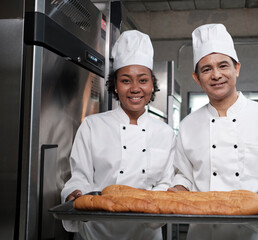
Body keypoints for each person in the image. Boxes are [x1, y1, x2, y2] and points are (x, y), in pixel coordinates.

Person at [169, 24, 258, 239]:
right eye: (206, 69)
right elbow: (184, 175)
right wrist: (179, 188)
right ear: (197, 78)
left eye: (223, 66)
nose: (216, 75)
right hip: (204, 234)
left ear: (237, 69)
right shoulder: (188, 125)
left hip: (257, 234)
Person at [61, 30, 175, 240]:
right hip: (97, 231)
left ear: (152, 84)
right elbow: (79, 176)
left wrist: (147, 206)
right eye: (125, 80)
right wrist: (75, 192)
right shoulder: (93, 126)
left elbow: (166, 183)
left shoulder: (166, 133)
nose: (135, 89)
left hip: (146, 231)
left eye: (142, 80)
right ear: (115, 85)